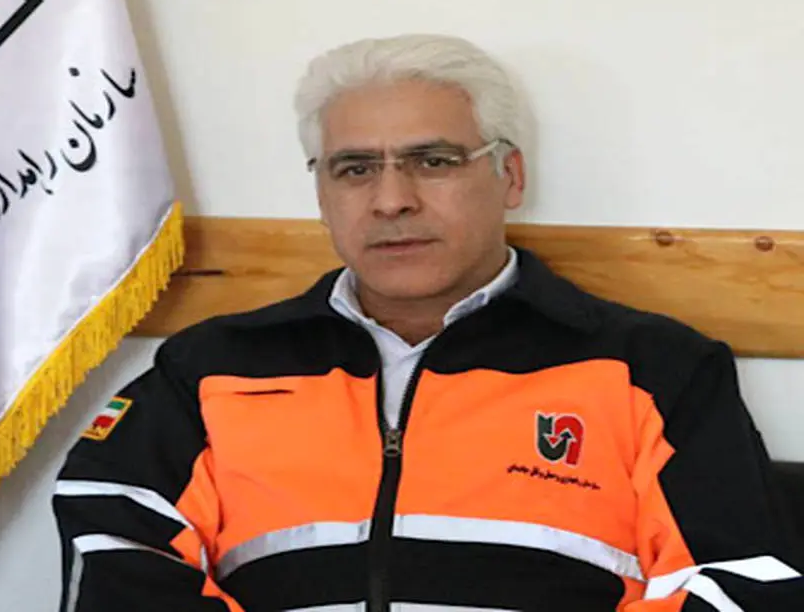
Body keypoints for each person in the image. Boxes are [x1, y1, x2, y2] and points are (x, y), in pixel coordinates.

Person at [52, 34, 804, 611]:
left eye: (434, 161)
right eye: (355, 169)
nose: (391, 200)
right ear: (321, 193)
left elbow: (742, 583)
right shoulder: (211, 371)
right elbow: (115, 547)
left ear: (509, 176)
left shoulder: (654, 370)